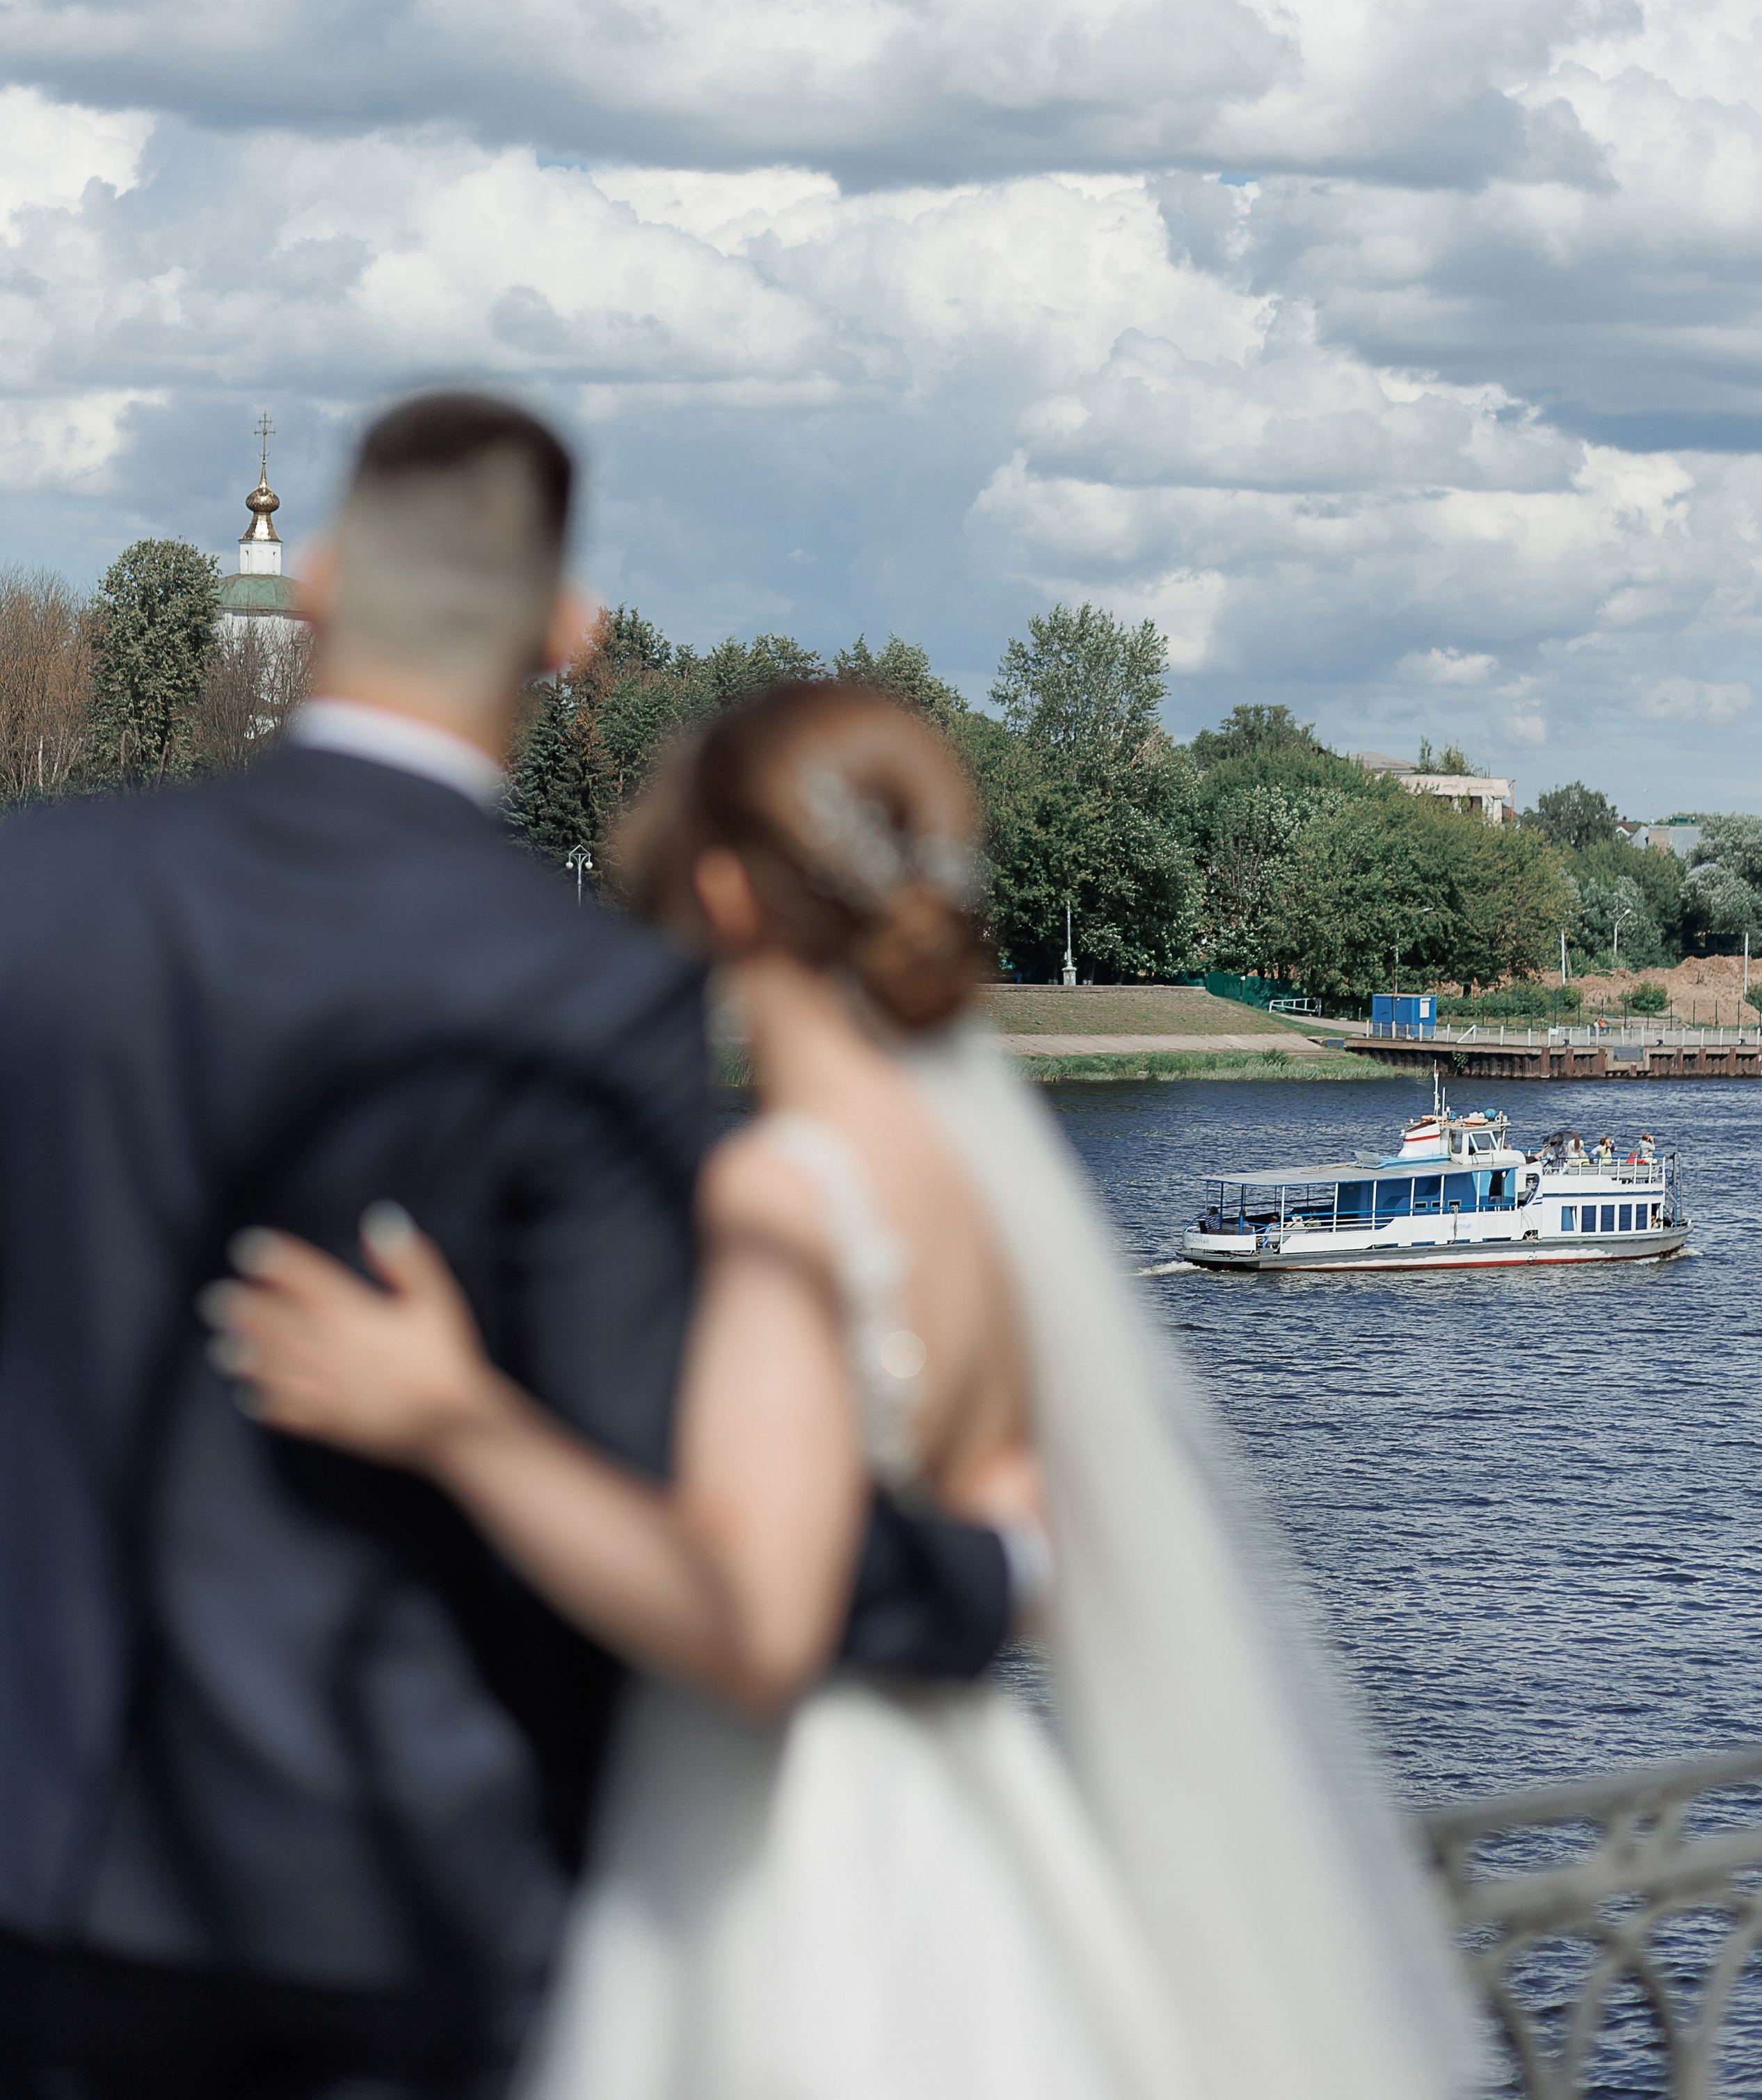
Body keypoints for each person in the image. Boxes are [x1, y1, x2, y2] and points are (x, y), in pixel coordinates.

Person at [211, 682, 1477, 2100]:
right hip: (970, 1826)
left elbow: (757, 1626)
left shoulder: (782, 1189)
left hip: (787, 1866)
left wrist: (451, 1414)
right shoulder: (977, 1182)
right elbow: (1022, 1544)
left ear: (722, 892)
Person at [0, 397, 1011, 2100]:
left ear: (309, 586)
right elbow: (670, 1502)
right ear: (567, 636)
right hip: (391, 1914)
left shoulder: (35, 896)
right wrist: (995, 1571)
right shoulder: (586, 995)